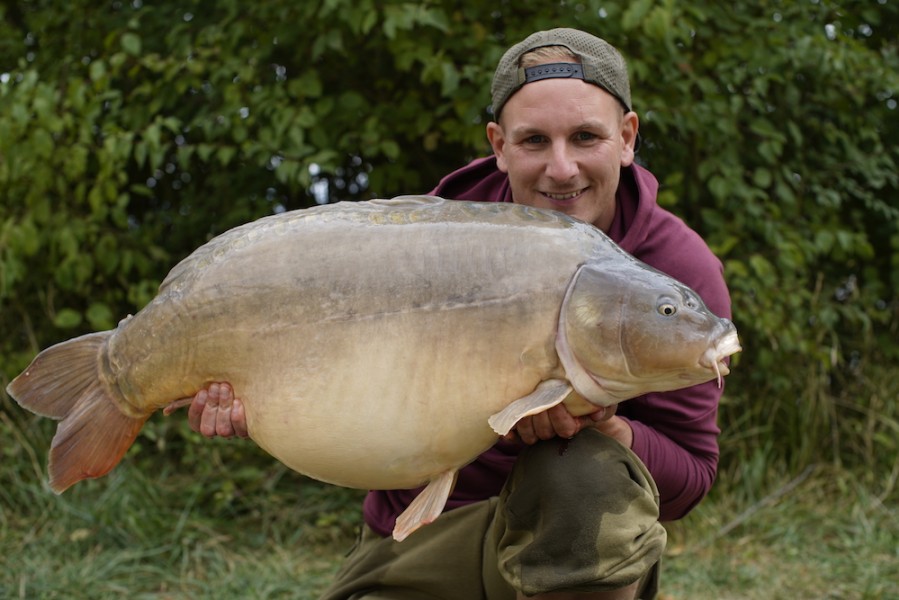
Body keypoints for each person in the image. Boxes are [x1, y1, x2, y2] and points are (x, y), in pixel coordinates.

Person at [181, 28, 732, 600]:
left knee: (582, 470)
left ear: (627, 137)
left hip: (571, 546)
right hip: (418, 536)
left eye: (585, 137)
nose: (561, 168)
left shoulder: (677, 268)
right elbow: (357, 391)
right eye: (534, 141)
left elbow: (691, 477)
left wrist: (608, 427)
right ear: (498, 144)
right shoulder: (434, 243)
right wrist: (269, 398)